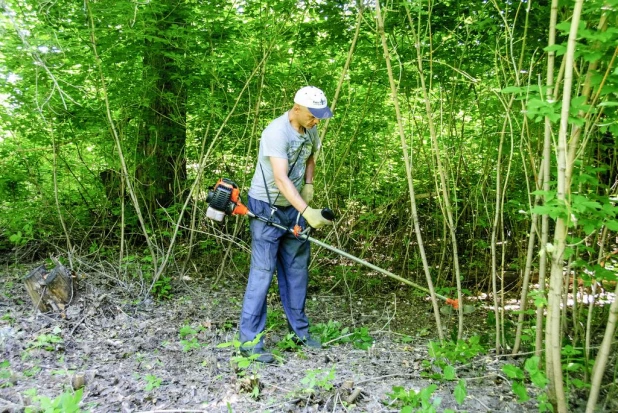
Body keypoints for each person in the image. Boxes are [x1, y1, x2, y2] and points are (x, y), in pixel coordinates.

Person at [239, 86, 334, 363]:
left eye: (319, 116)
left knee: (296, 270)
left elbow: (310, 158)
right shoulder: (276, 132)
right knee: (263, 273)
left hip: (293, 208)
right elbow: (280, 178)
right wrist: (307, 211)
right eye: (313, 115)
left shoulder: (311, 130)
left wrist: (309, 186)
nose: (317, 120)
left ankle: (300, 333)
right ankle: (251, 344)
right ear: (296, 108)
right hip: (265, 207)